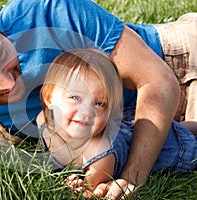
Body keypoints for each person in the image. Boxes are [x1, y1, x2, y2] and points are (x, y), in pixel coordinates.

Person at [0, 0, 197, 198]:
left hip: (177, 57)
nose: (8, 83)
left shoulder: (50, 10)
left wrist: (131, 178)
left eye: (2, 56)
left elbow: (157, 81)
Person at [36, 48, 197, 198]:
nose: (87, 112)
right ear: (49, 99)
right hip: (131, 126)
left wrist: (75, 185)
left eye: (99, 103)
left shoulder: (101, 156)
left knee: (183, 140)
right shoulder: (44, 120)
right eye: (75, 98)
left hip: (168, 148)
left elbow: (91, 191)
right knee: (177, 129)